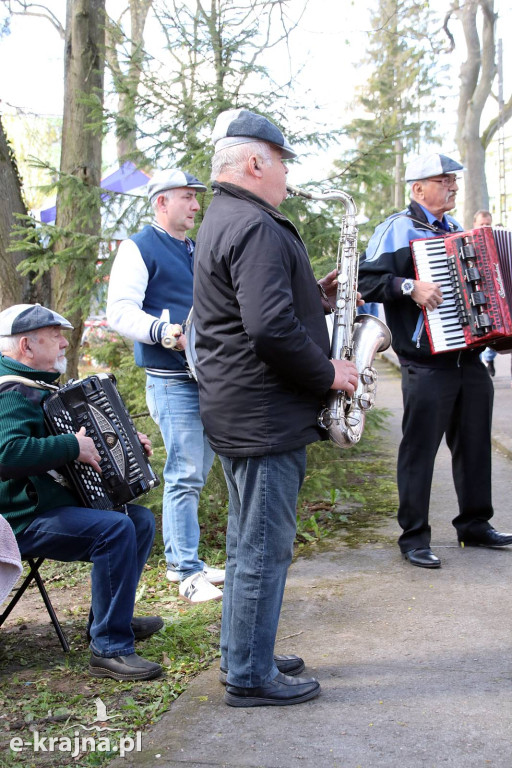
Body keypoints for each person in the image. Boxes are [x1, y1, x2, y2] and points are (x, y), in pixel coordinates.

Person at [192, 108, 360, 707]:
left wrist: (317, 294)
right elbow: (267, 328)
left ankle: (246, 651)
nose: (288, 172)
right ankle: (249, 677)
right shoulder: (257, 224)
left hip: (241, 410)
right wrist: (331, 372)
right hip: (264, 415)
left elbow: (251, 310)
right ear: (255, 161)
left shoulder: (226, 215)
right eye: (282, 159)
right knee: (263, 549)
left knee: (246, 546)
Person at [358, 152, 512, 569]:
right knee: (419, 451)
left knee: (476, 444)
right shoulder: (397, 228)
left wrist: (499, 331)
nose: (453, 187)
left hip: (469, 359)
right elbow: (365, 280)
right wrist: (409, 285)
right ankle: (413, 537)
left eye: (454, 181)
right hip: (425, 364)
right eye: (444, 180)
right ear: (418, 187)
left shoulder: (459, 232)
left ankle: (475, 525)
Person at [0, 303, 163, 681]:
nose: (63, 343)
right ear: (26, 345)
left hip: (45, 506)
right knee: (115, 529)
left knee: (137, 521)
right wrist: (72, 447)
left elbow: (82, 434)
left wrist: (125, 443)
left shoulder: (38, 387)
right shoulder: (11, 392)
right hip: (20, 518)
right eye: (55, 336)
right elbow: (6, 454)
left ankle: (111, 618)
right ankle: (110, 647)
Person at [107, 169, 225, 604]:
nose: (196, 205)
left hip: (208, 377)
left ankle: (187, 561)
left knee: (196, 473)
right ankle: (183, 569)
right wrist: (162, 331)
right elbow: (119, 311)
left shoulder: (195, 248)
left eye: (196, 197)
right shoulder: (139, 247)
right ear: (161, 202)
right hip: (171, 378)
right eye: (186, 198)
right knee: (184, 473)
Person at [473, 210, 498, 376]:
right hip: (474, 296)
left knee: (497, 333)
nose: (485, 227)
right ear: (474, 224)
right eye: (482, 224)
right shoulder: (466, 242)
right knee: (479, 332)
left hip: (495, 297)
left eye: (488, 224)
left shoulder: (496, 242)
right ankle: (479, 363)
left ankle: (488, 358)